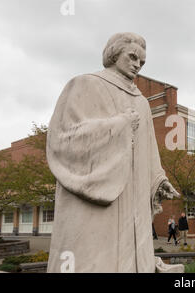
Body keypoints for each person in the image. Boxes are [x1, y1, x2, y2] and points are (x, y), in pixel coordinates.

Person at [46, 32, 180, 273]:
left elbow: (149, 151)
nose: (137, 64)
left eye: (142, 62)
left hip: (135, 204)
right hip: (99, 205)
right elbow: (64, 138)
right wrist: (120, 125)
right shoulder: (85, 84)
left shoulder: (142, 103)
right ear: (114, 54)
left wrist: (158, 180)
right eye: (132, 57)